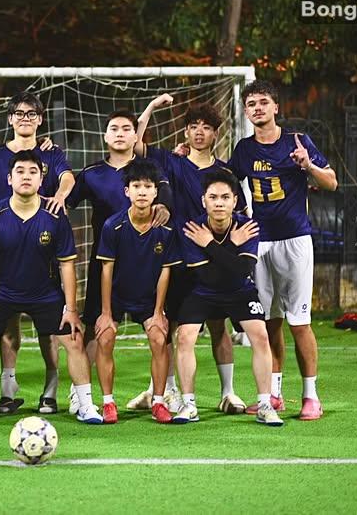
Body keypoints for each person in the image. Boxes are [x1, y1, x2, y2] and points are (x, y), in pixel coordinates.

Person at [0, 150, 102, 425]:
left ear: (42, 180)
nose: (26, 176)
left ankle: (87, 406)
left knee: (74, 339)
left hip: (45, 292)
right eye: (20, 171)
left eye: (33, 172)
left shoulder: (55, 216)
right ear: (9, 179)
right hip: (3, 291)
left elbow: (67, 266)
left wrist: (71, 309)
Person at [126, 96, 248, 416]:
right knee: (169, 325)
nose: (199, 132)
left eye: (206, 127)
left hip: (213, 258)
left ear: (216, 134)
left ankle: (228, 393)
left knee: (219, 325)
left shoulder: (225, 172)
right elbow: (136, 145)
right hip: (177, 257)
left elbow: (240, 216)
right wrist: (152, 107)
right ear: (185, 132)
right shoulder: (173, 162)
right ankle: (165, 390)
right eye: (193, 126)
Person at [228, 79, 337, 420]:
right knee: (268, 322)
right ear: (246, 112)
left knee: (299, 322)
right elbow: (227, 184)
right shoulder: (244, 149)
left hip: (295, 242)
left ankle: (311, 396)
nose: (257, 108)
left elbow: (331, 182)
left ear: (276, 107)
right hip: (260, 243)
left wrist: (308, 165)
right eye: (251, 104)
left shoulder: (297, 141)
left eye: (263, 102)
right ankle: (273, 394)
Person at [65, 109, 172, 415]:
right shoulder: (92, 173)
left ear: (136, 136)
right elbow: (66, 203)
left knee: (161, 328)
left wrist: (165, 206)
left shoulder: (149, 170)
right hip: (106, 262)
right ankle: (81, 392)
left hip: (147, 261)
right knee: (95, 328)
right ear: (105, 136)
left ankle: (165, 393)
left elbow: (167, 197)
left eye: (127, 128)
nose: (121, 133)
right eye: (114, 128)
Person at [0, 91, 70, 414]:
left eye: (31, 114)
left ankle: (51, 391)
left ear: (40, 120)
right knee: (7, 324)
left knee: (49, 329)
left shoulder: (51, 153)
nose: (25, 118)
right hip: (5, 248)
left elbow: (68, 178)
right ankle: (7, 391)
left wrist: (59, 195)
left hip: (42, 249)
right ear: (10, 119)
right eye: (19, 113)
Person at [173, 171, 282, 426]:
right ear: (204, 201)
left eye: (225, 197)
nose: (219, 203)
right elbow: (208, 276)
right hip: (203, 291)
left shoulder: (247, 227)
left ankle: (265, 405)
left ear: (235, 201)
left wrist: (211, 245)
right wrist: (231, 246)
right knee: (185, 336)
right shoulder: (193, 229)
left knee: (260, 334)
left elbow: (242, 270)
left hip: (239, 290)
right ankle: (189, 404)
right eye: (213, 197)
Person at [94, 158, 181, 424]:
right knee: (105, 337)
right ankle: (108, 403)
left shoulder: (166, 229)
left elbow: (165, 271)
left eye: (147, 187)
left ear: (156, 192)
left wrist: (158, 312)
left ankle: (159, 401)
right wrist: (106, 313)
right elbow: (106, 270)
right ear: (127, 191)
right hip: (118, 295)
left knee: (159, 338)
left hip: (148, 298)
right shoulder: (113, 226)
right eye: (136, 186)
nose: (142, 192)